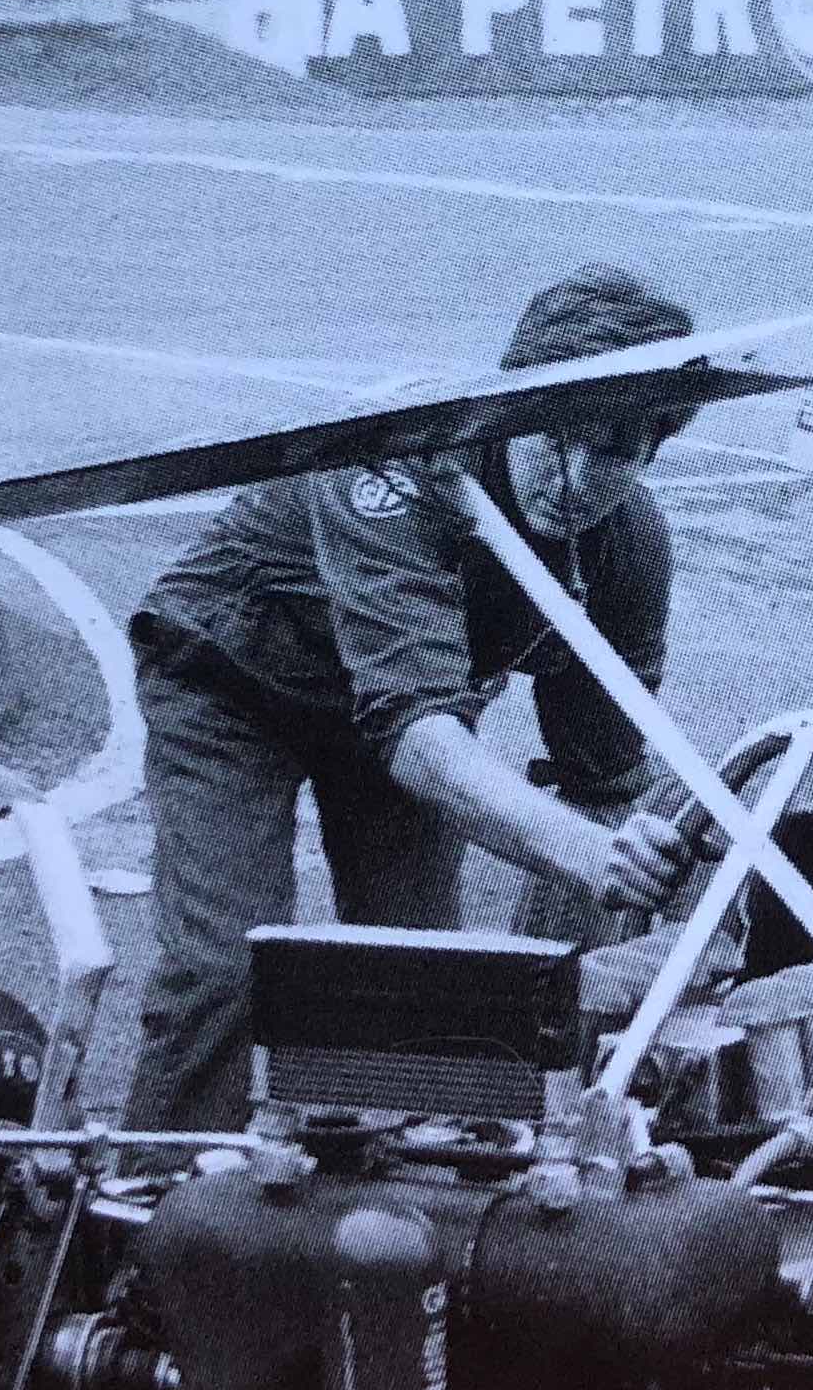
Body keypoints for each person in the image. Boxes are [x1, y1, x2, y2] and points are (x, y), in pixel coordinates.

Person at [120, 266, 701, 1136]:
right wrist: (586, 853)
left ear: (652, 451)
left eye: (615, 451)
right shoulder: (400, 458)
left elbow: (606, 769)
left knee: (421, 980)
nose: (578, 479)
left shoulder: (627, 545)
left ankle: (395, 1211)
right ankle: (147, 1211)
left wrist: (662, 875)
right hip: (234, 681)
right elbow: (424, 743)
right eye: (557, 439)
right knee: (228, 975)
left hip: (396, 720)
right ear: (510, 406)